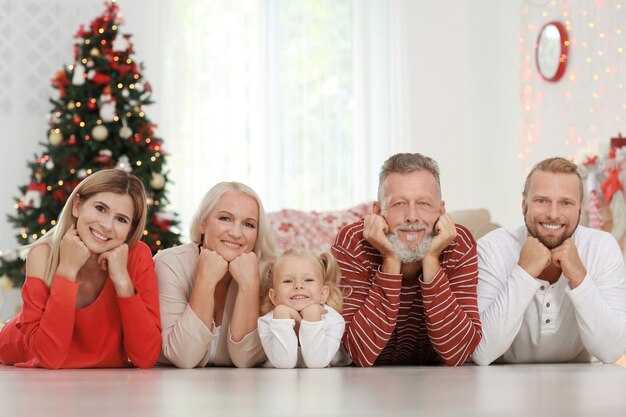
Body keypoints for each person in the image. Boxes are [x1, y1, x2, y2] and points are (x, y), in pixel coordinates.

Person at [331, 153, 482, 366]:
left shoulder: (459, 243)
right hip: (369, 388)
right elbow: (358, 353)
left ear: (441, 211)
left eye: (423, 203)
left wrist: (432, 258)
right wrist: (390, 259)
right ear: (377, 211)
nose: (412, 216)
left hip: (440, 384)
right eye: (399, 204)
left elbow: (459, 352)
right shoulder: (353, 242)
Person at [0, 169, 161, 369]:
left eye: (121, 219)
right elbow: (49, 357)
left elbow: (146, 357)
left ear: (130, 228)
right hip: (18, 344)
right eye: (100, 208)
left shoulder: (137, 256)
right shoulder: (43, 254)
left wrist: (122, 281)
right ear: (77, 205)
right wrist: (67, 270)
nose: (107, 225)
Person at [472, 157, 626, 365]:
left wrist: (580, 277)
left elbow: (612, 351)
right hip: (503, 384)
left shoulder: (601, 248)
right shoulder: (491, 249)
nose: (553, 214)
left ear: (580, 208)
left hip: (579, 385)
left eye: (566, 203)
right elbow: (482, 352)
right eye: (541, 201)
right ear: (524, 203)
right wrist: (524, 273)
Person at [155, 182, 276, 368]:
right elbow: (183, 356)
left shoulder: (267, 273)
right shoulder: (170, 263)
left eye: (248, 224)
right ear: (203, 224)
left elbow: (246, 360)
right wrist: (206, 280)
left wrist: (249, 286)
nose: (236, 233)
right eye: (225, 218)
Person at [258, 249, 350, 368]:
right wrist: (281, 316)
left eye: (308, 280)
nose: (298, 285)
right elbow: (283, 363)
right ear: (274, 297)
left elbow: (316, 363)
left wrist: (312, 317)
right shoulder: (266, 323)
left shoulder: (334, 321)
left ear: (323, 294)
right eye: (287, 281)